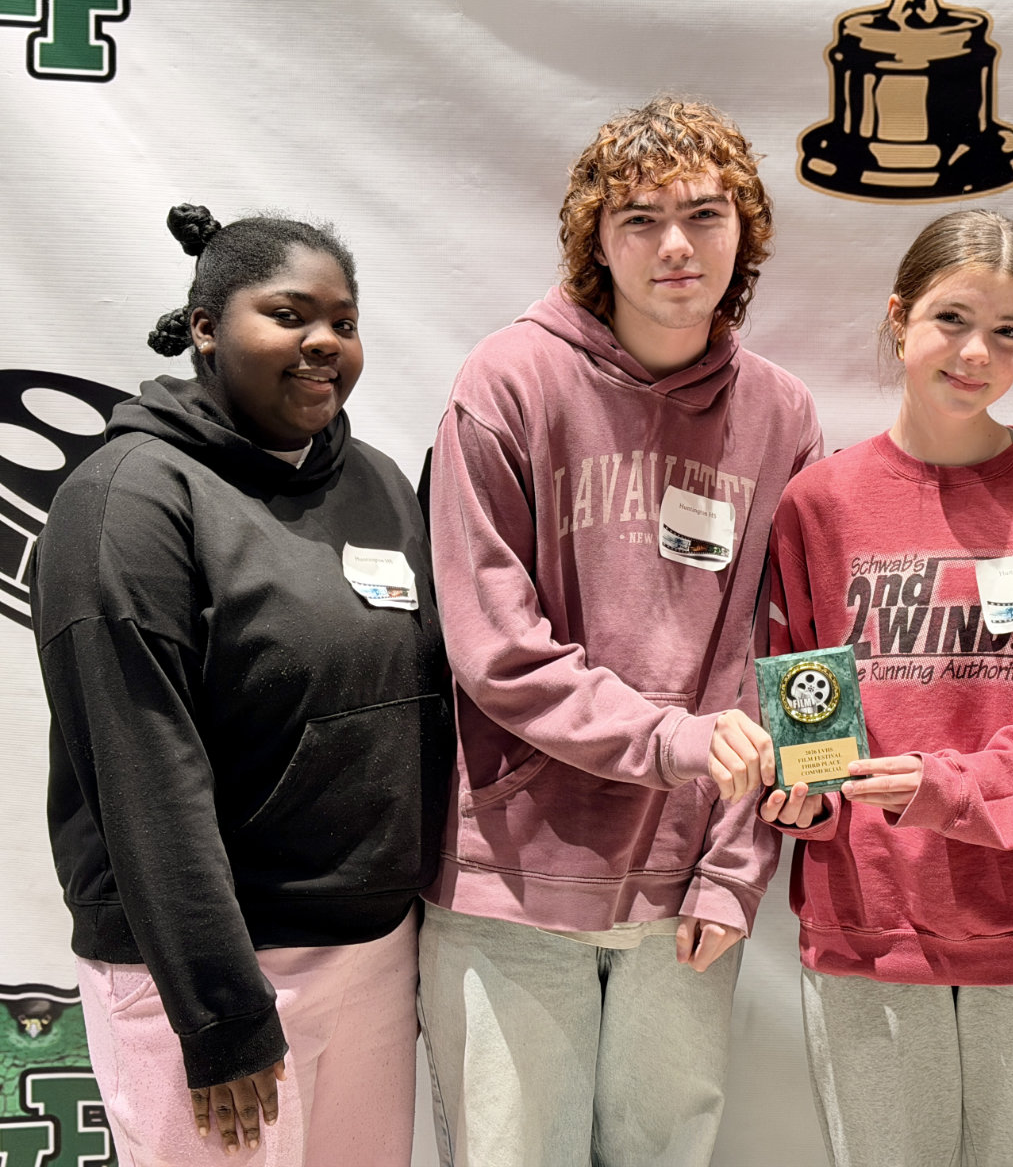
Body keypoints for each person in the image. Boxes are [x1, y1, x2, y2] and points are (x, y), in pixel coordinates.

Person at [419, 96, 822, 1165]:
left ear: (746, 233)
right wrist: (670, 740)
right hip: (515, 882)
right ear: (594, 239)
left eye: (703, 214)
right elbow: (495, 645)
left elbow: (785, 665)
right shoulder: (507, 382)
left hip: (685, 892)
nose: (675, 246)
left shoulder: (781, 416)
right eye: (638, 219)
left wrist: (738, 870)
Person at [34, 204, 453, 1165]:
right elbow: (144, 775)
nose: (323, 345)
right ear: (206, 328)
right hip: (211, 971)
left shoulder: (379, 484)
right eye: (289, 314)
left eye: (343, 323)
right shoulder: (128, 500)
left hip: (371, 951)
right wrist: (219, 1012)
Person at [760, 209, 1013, 1166]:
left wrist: (951, 789)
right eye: (951, 318)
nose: (976, 351)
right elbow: (801, 710)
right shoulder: (819, 503)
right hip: (870, 924)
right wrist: (802, 798)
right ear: (899, 319)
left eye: (1008, 331)